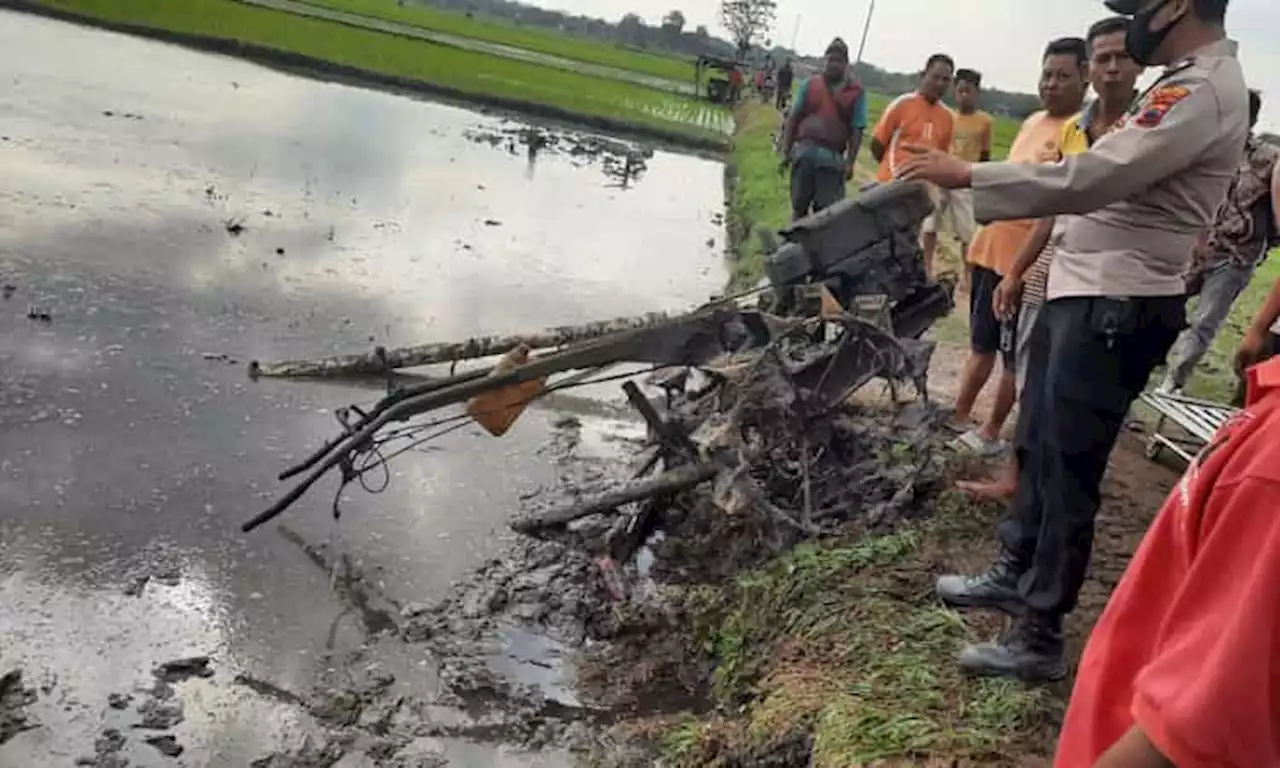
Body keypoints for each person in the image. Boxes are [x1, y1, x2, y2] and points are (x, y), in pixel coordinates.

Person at [898, 0, 1248, 682]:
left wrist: (967, 174)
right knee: (1036, 442)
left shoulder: (1198, 90)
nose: (1132, 24)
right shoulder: (1182, 81)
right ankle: (1013, 570)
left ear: (1175, 5)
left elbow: (1090, 178)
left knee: (1069, 470)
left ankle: (1038, 633)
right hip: (1081, 291)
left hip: (1117, 301)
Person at [958, 16, 1143, 500]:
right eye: (1102, 58)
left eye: (1120, 58)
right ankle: (1016, 476)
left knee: (1050, 384)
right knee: (1026, 365)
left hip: (1101, 281)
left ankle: (1026, 472)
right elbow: (1054, 207)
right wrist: (1016, 270)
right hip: (1037, 265)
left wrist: (967, 178)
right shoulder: (1072, 130)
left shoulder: (1140, 131)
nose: (1111, 69)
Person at [946, 39, 1088, 456]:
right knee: (979, 344)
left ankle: (990, 432)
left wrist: (1019, 271)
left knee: (1012, 355)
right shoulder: (1031, 123)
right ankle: (957, 417)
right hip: (992, 249)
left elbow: (1053, 208)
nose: (1052, 84)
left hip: (1026, 263)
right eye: (1047, 74)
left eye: (1063, 76)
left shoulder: (1079, 132)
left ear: (1085, 77)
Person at [1158, 90, 1279, 394]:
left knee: (1204, 321)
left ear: (1250, 119)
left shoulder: (1269, 160)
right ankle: (1149, 360)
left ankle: (1173, 383)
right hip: (1198, 246)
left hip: (1236, 256)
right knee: (1163, 304)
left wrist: (1265, 244)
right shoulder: (1208, 152)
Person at [778, 38, 868, 220]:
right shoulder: (810, 85)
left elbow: (857, 129)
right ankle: (794, 246)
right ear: (823, 61)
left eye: (838, 61)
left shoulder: (856, 93)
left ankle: (816, 248)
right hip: (804, 153)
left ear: (846, 65)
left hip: (832, 159)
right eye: (830, 60)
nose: (833, 65)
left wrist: (850, 163)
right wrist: (786, 151)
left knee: (827, 216)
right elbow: (793, 118)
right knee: (799, 208)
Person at [923, 68, 992, 287]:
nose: (964, 95)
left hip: (965, 180)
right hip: (941, 175)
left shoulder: (985, 122)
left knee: (966, 233)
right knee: (929, 224)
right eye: (960, 90)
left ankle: (968, 276)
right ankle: (926, 267)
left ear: (977, 93)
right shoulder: (946, 116)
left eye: (968, 91)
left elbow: (985, 155)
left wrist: (980, 181)